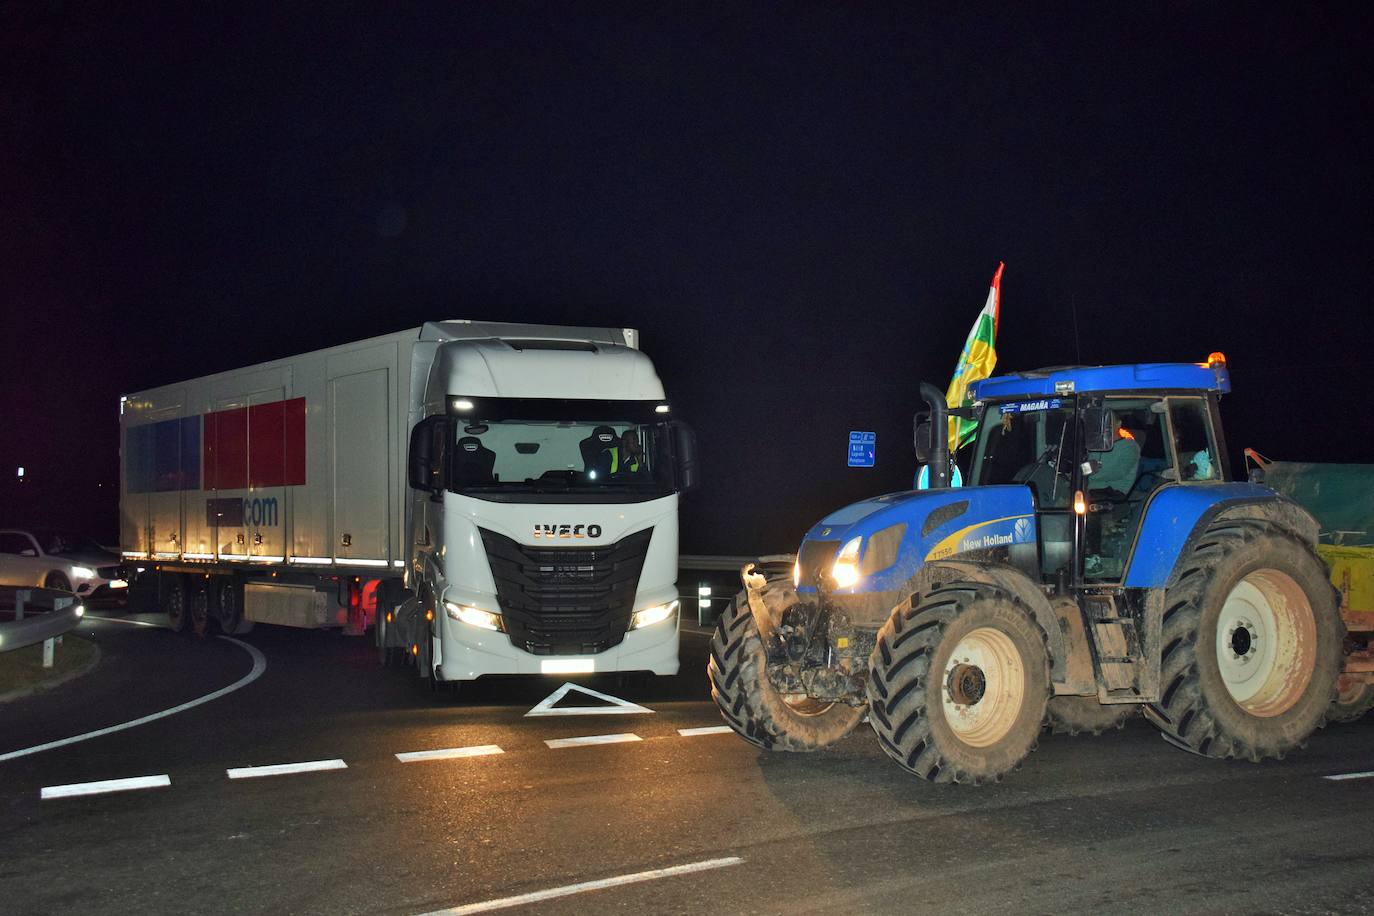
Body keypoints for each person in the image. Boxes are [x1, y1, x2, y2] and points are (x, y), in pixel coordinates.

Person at [1089, 412, 1141, 498]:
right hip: (1086, 491)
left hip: (1112, 495)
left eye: (1108, 421)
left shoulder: (1130, 447)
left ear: (1118, 424)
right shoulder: (1094, 445)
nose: (1104, 425)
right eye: (1101, 421)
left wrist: (1081, 473)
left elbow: (1113, 473)